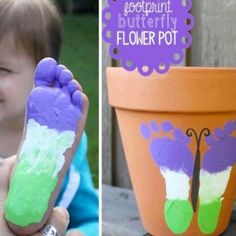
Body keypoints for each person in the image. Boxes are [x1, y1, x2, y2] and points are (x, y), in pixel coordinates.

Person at [0, 0, 98, 235]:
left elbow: (91, 217)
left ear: (42, 75)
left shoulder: (72, 149)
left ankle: (46, 138)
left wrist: (81, 233)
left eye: (2, 70)